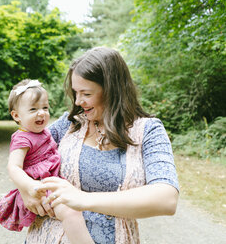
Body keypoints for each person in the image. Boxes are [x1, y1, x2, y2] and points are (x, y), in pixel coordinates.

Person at [17, 47, 180, 244]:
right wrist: (26, 190)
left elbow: (167, 199)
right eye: (76, 92)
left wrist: (83, 199)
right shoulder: (70, 124)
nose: (78, 101)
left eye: (86, 93)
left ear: (112, 90)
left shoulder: (148, 131)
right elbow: (22, 155)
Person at [0, 79, 94, 243]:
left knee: (77, 207)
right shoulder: (22, 138)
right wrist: (30, 186)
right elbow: (13, 167)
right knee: (71, 212)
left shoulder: (43, 132)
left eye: (45, 107)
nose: (41, 113)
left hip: (51, 182)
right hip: (40, 187)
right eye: (33, 109)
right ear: (16, 116)